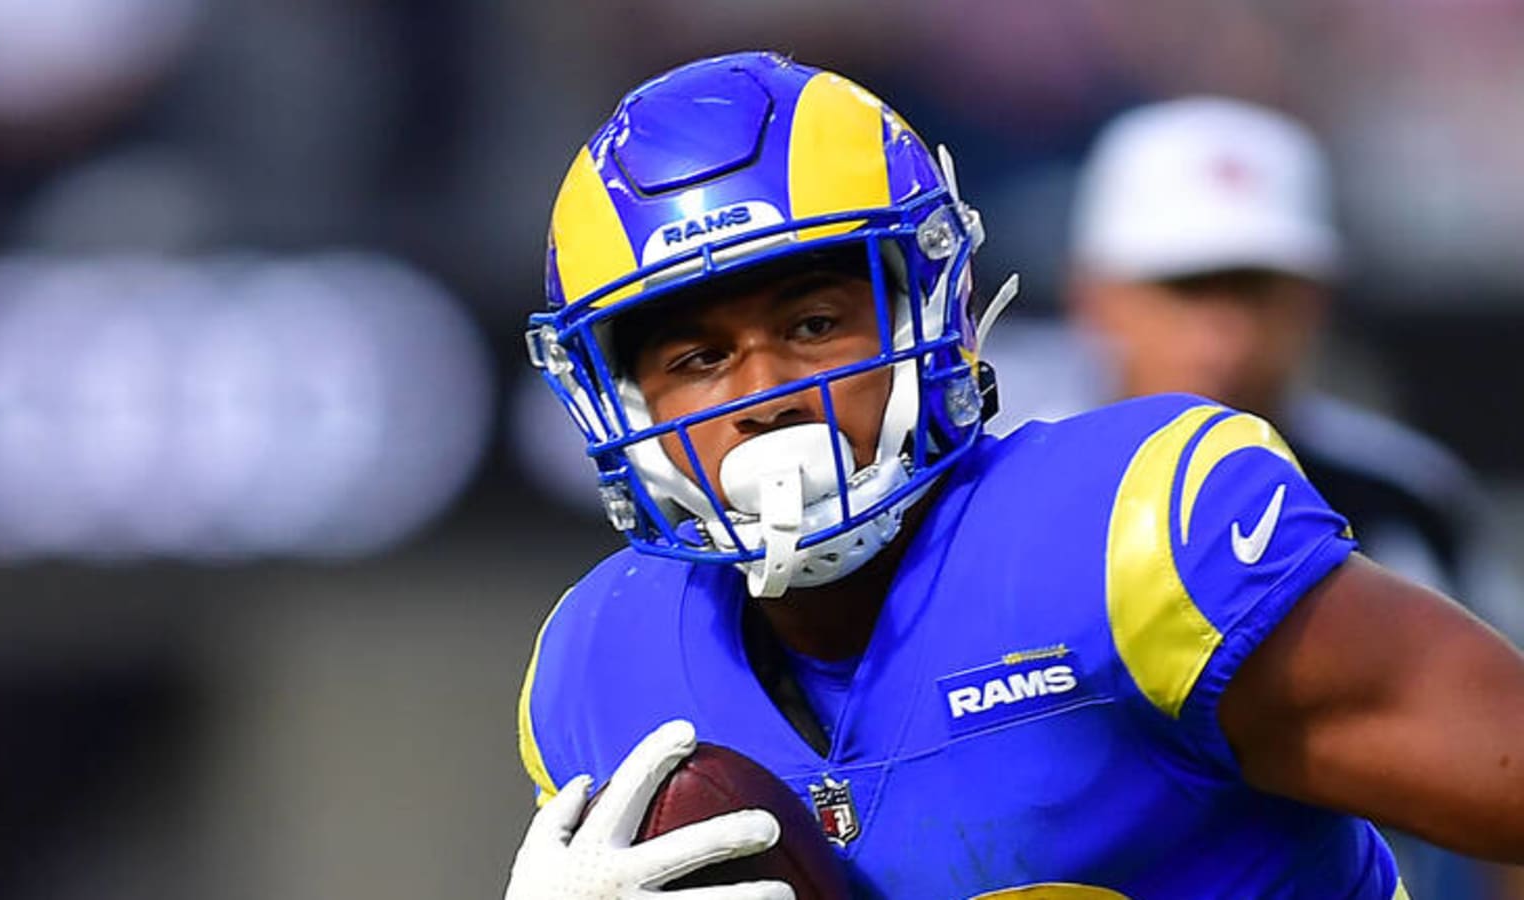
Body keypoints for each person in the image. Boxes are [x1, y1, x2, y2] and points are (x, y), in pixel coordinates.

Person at [506, 52, 1524, 899]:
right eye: (696, 358)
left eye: (813, 325)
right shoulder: (597, 674)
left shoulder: (1133, 540)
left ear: (930, 314)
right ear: (622, 408)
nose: (764, 393)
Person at [1060, 96, 1524, 898]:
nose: (1225, 336)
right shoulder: (1001, 492)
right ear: (1094, 295)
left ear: (1315, 299)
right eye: (1186, 287)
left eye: (1257, 290)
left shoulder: (1405, 497)